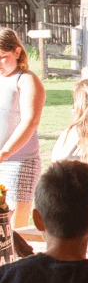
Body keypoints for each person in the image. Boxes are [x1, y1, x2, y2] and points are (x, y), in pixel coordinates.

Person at [0, 27, 46, 229]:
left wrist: (5, 152)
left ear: (17, 52)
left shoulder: (26, 79)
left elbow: (31, 121)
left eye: (2, 57)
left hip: (18, 162)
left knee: (11, 227)